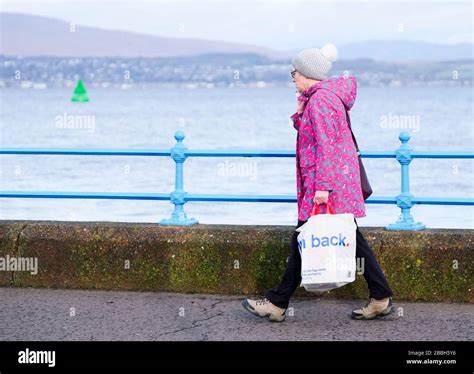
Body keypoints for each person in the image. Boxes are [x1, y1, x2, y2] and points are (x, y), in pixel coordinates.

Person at [242, 43, 393, 322]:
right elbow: (313, 135)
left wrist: (322, 187)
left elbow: (325, 146)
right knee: (346, 240)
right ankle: (380, 296)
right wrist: (300, 111)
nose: (292, 77)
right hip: (335, 183)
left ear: (307, 73)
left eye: (295, 72)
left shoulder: (322, 101)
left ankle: (277, 303)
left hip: (327, 187)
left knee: (304, 238)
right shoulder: (321, 98)